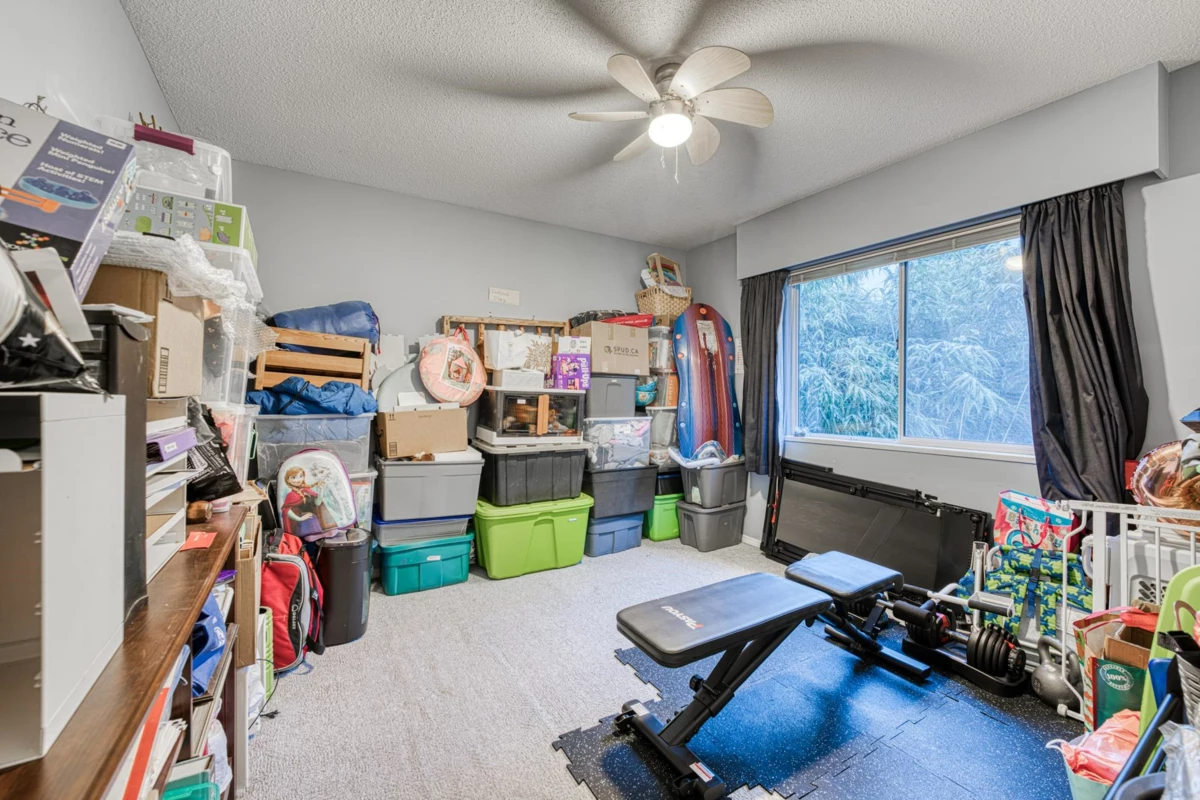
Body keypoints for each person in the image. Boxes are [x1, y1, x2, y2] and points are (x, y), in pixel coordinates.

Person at [280, 466, 324, 539]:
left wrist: (321, 491)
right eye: (293, 477)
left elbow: (317, 503)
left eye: (301, 476)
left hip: (313, 520)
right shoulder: (291, 495)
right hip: (303, 524)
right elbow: (286, 510)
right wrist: (300, 519)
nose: (298, 480)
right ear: (288, 480)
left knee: (316, 541)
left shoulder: (307, 490)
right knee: (307, 542)